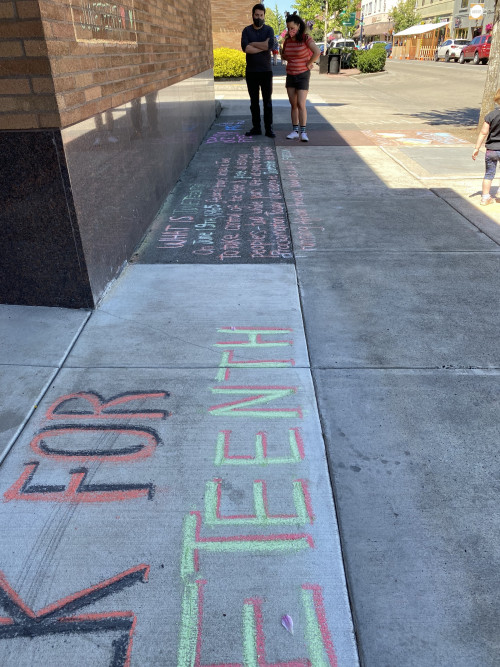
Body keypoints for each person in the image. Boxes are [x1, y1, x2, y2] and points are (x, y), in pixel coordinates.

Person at [280, 12, 320, 142]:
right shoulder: (287, 41)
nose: (290, 30)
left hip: (302, 74)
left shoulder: (306, 38)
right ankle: (295, 131)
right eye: (288, 28)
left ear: (298, 26)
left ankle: (303, 132)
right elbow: (285, 56)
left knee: (301, 104)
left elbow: (317, 52)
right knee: (293, 105)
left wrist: (309, 63)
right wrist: (283, 55)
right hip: (290, 74)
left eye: (292, 28)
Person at [241, 4, 276, 138]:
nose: (259, 18)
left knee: (267, 101)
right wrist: (262, 45)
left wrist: (253, 43)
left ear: (264, 16)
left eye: (261, 15)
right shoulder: (246, 30)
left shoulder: (269, 30)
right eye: (257, 15)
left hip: (266, 71)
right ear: (252, 15)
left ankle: (269, 128)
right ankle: (256, 128)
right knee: (254, 102)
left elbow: (269, 45)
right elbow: (246, 48)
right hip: (251, 72)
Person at [472, 88, 500, 205]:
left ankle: (485, 197)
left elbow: (483, 132)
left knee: (489, 174)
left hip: (491, 150)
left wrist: (477, 148)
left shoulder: (491, 115)